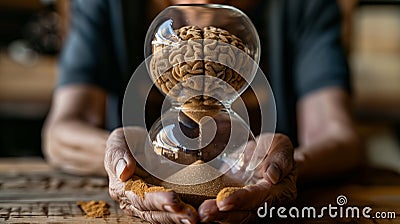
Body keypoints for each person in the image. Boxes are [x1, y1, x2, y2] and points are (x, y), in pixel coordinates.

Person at [42, 0, 363, 223]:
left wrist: (285, 168)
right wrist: (125, 162)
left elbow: (338, 135)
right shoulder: (106, 5)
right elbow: (62, 130)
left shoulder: (304, 6)